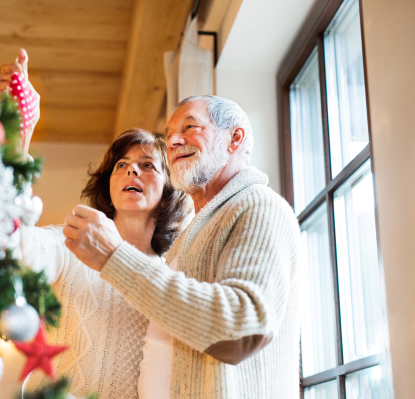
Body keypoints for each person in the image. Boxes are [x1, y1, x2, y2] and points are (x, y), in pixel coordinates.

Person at [64, 95, 302, 398]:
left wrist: (115, 257)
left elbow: (242, 325)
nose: (173, 140)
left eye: (190, 127)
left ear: (234, 138)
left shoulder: (259, 206)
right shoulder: (189, 237)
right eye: (170, 133)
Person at [0, 52, 191, 398]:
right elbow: (18, 251)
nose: (132, 170)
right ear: (109, 185)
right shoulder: (70, 242)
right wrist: (17, 141)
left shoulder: (171, 276)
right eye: (122, 165)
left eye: (147, 165)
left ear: (167, 191)